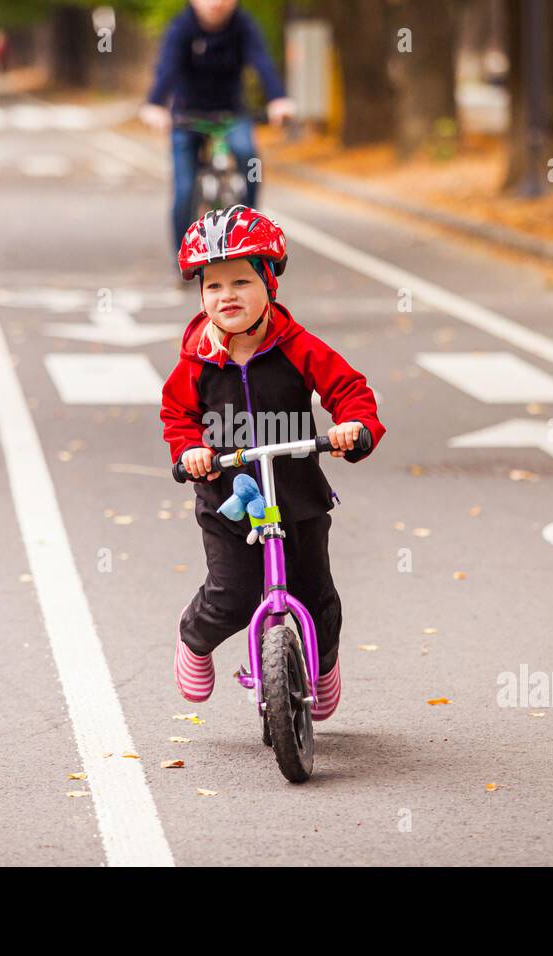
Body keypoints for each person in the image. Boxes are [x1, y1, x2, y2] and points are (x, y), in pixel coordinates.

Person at [160, 205, 386, 721]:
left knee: (317, 595)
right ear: (200, 295)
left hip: (297, 496)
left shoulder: (298, 347)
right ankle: (194, 637)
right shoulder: (197, 360)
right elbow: (177, 414)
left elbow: (350, 390)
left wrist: (355, 426)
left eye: (241, 281)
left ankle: (322, 664)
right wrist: (190, 450)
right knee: (231, 594)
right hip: (228, 502)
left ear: (269, 284)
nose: (227, 296)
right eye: (213, 286)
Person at [139, 0, 297, 256]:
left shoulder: (244, 26)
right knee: (184, 189)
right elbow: (167, 69)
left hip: (231, 114)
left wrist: (277, 98)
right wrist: (155, 104)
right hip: (188, 117)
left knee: (247, 155)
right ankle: (183, 258)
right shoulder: (182, 27)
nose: (216, 3)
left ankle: (251, 228)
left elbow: (262, 62)